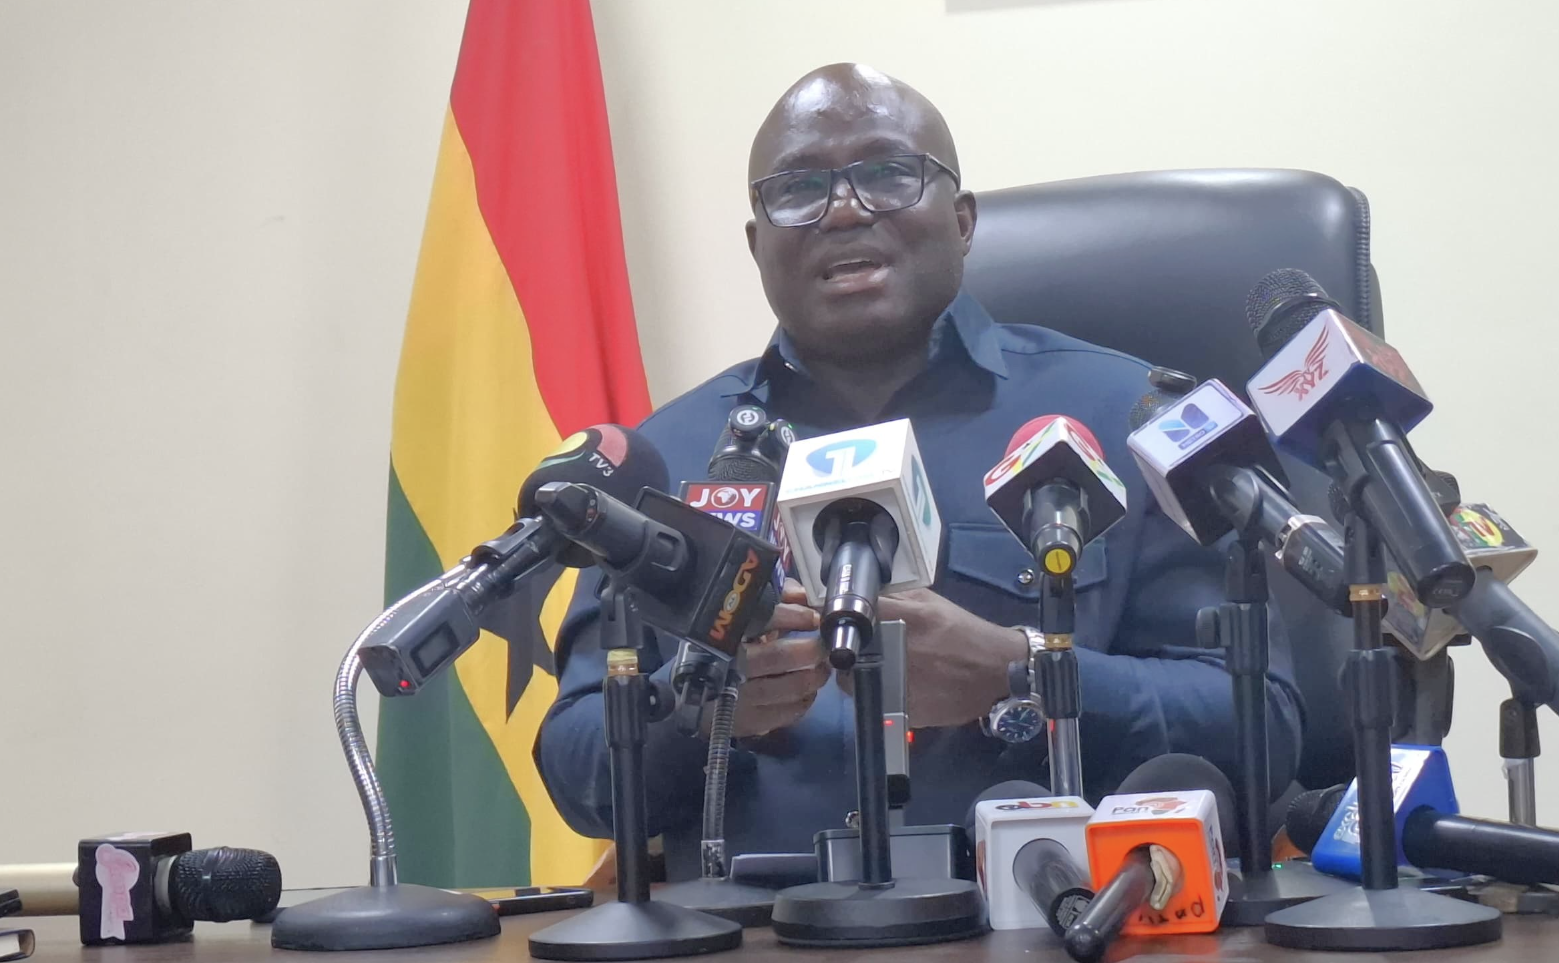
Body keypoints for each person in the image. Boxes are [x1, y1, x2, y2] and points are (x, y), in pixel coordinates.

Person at [535, 63, 1302, 881]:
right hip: (758, 927)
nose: (843, 210)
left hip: (1052, 920)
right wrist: (701, 711)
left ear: (962, 221)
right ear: (758, 245)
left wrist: (1025, 674)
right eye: (798, 189)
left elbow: (1264, 727)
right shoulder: (666, 462)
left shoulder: (1126, 417)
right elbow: (579, 775)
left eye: (888, 174)